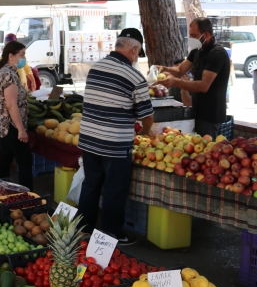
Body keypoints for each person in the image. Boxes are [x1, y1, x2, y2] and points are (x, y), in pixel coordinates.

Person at [76, 28, 154, 245]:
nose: (137, 57)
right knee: (114, 189)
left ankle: (84, 230)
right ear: (134, 49)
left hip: (89, 139)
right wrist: (148, 135)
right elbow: (146, 115)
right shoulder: (134, 76)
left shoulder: (95, 68)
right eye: (137, 53)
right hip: (115, 144)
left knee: (91, 184)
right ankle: (111, 233)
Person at [155, 18, 230, 137]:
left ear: (206, 35)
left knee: (206, 150)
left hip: (210, 115)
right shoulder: (196, 51)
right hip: (196, 111)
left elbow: (204, 85)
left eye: (193, 35)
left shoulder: (217, 54)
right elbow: (180, 70)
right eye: (189, 35)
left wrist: (175, 82)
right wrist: (163, 68)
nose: (190, 38)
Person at [0, 41, 33, 190]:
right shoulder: (9, 75)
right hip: (12, 126)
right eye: (21, 54)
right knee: (25, 162)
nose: (24, 58)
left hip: (3, 125)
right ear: (11, 56)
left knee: (5, 160)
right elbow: (11, 104)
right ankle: (28, 198)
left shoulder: (4, 72)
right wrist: (21, 130)